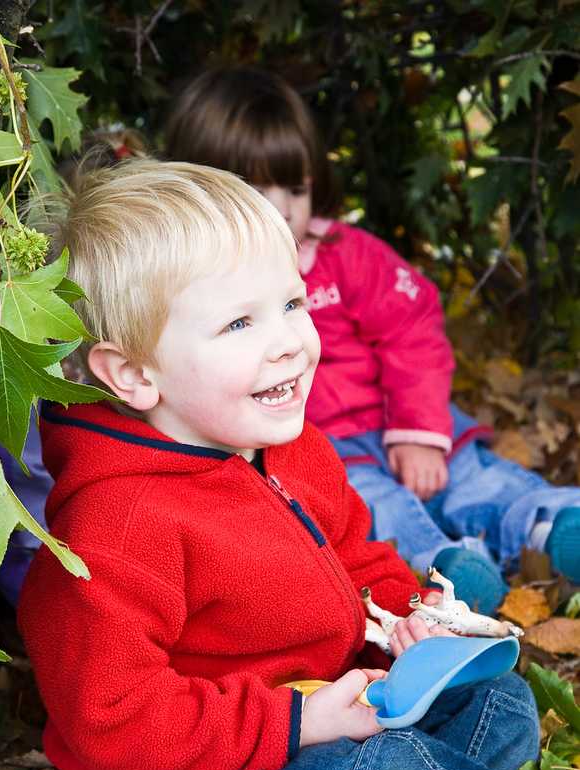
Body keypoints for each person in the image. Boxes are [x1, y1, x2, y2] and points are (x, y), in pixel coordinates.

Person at [18, 159, 579, 770]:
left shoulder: (284, 444)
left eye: (292, 303)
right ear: (133, 374)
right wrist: (293, 725)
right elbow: (113, 712)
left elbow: (353, 547)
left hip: (332, 702)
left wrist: (407, 618)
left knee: (494, 697)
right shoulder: (119, 521)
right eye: (241, 322)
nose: (288, 338)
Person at [164, 66, 580, 614]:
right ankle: (446, 577)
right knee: (376, 515)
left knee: (471, 479)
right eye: (258, 188)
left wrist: (420, 430)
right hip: (323, 450)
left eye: (297, 186)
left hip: (399, 416)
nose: (285, 208)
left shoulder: (345, 254)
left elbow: (412, 331)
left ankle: (547, 523)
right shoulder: (192, 289)